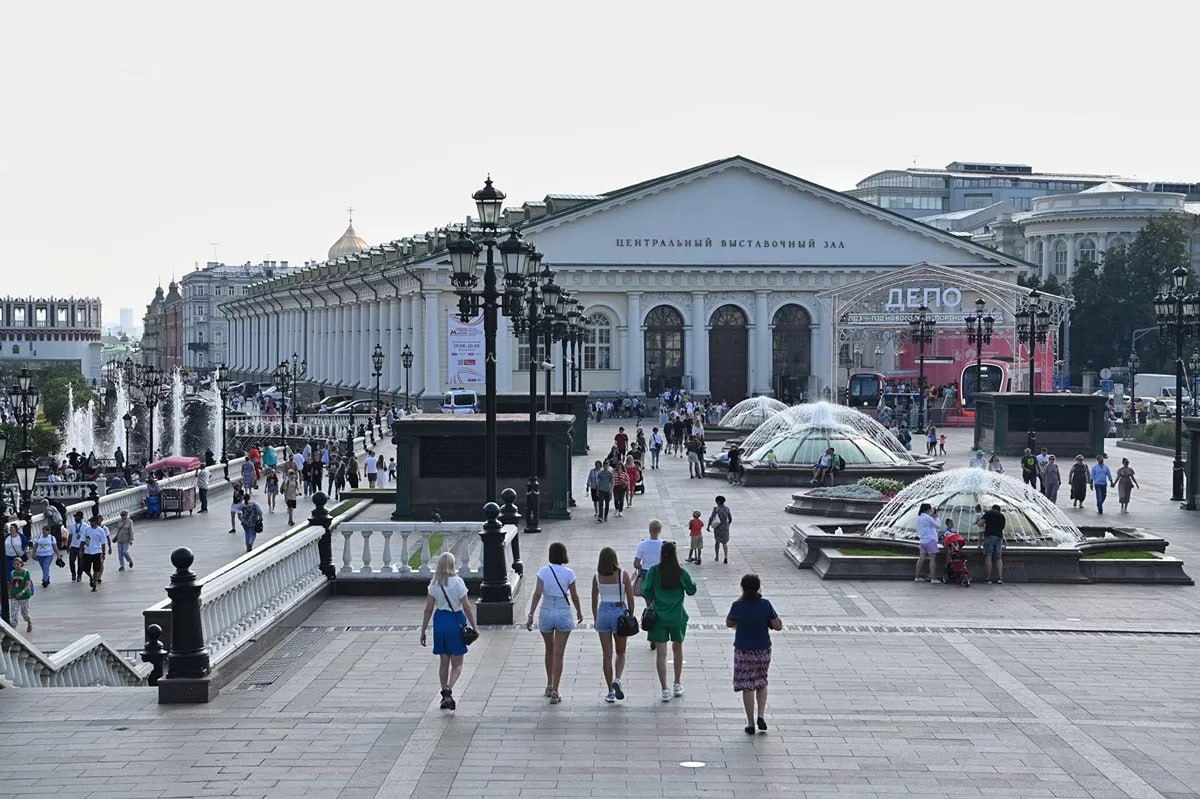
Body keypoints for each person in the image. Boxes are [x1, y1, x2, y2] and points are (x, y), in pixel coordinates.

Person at [525, 542, 583, 705]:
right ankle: (556, 691)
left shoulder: (543, 572)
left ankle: (549, 684)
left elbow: (537, 594)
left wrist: (531, 614)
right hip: (563, 611)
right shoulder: (569, 573)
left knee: (549, 649)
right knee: (559, 653)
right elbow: (575, 596)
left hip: (546, 610)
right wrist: (579, 610)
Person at [419, 552, 478, 711]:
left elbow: (428, 609)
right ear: (453, 565)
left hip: (440, 622)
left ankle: (445, 694)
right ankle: (448, 690)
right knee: (457, 664)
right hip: (455, 621)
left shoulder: (434, 584)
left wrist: (423, 630)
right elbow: (466, 606)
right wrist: (474, 626)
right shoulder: (458, 582)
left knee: (443, 661)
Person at [727, 573, 782, 734]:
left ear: (742, 588)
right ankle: (761, 715)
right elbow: (777, 625)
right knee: (762, 681)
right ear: (758, 587)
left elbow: (729, 622)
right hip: (763, 649)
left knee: (747, 686)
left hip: (744, 650)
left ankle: (750, 723)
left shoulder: (738, 606)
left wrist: (740, 601)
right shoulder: (765, 605)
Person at [642, 542, 697, 702]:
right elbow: (692, 590)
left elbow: (646, 590)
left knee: (661, 654)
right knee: (678, 649)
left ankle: (664, 689)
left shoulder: (654, 571)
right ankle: (677, 683)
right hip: (677, 616)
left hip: (658, 617)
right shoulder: (680, 573)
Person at [591, 547, 636, 703]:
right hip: (618, 611)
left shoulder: (597, 577)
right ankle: (617, 679)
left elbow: (594, 599)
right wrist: (630, 613)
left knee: (607, 655)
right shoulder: (623, 575)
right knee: (621, 652)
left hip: (603, 611)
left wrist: (596, 618)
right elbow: (630, 598)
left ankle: (610, 691)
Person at [80, 514, 111, 591]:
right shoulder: (87, 530)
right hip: (87, 551)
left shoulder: (100, 530)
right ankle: (91, 577)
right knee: (85, 568)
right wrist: (81, 551)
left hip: (97, 551)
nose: (91, 523)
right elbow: (82, 541)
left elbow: (103, 542)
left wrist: (104, 553)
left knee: (96, 569)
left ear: (96, 522)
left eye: (93, 522)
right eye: (90, 522)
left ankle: (94, 584)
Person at [977, 503, 1006, 584]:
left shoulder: (989, 513)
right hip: (999, 537)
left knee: (988, 556)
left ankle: (988, 578)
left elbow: (980, 523)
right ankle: (1000, 578)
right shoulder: (1002, 516)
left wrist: (978, 521)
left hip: (989, 536)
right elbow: (1002, 527)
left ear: (992, 508)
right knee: (998, 558)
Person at [914, 503, 942, 583]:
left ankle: (917, 577)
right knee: (932, 560)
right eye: (930, 509)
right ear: (927, 509)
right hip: (930, 540)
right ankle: (933, 578)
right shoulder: (928, 518)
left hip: (922, 541)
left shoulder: (919, 517)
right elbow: (938, 526)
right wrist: (936, 518)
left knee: (921, 559)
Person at [8, 556, 33, 632]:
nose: (16, 566)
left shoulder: (26, 572)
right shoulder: (13, 573)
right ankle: (13, 628)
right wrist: (10, 593)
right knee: (14, 612)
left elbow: (28, 584)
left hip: (24, 596)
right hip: (14, 596)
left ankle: (29, 621)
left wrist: (22, 592)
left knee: (24, 612)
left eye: (18, 564)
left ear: (21, 564)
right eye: (15, 564)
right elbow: (11, 584)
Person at [708, 495, 733, 564]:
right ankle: (725, 557)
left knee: (717, 542)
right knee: (724, 543)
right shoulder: (727, 508)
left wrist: (708, 526)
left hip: (718, 527)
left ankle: (717, 556)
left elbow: (711, 517)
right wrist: (728, 525)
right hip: (725, 527)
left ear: (718, 502)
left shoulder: (716, 509)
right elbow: (730, 518)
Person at [66, 511, 86, 582]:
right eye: (75, 517)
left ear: (81, 517)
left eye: (77, 516)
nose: (76, 518)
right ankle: (73, 574)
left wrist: (87, 545)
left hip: (81, 547)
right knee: (71, 561)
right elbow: (70, 536)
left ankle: (79, 575)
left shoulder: (85, 526)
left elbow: (87, 537)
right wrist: (68, 546)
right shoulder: (71, 526)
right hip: (73, 546)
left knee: (80, 562)